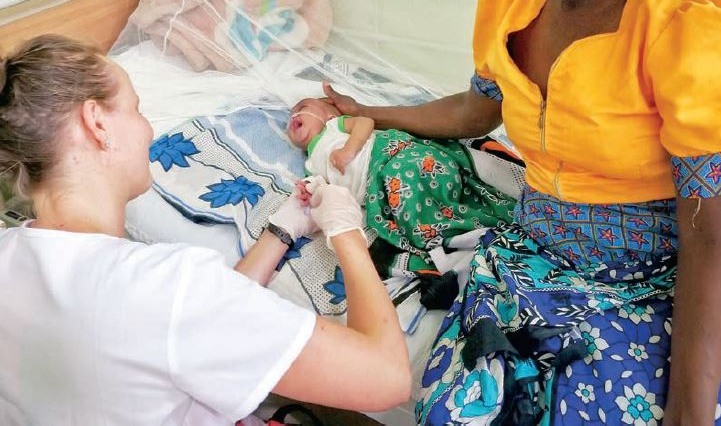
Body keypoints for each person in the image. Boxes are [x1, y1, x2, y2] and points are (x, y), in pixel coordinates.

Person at [315, 1, 721, 424]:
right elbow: (474, 112)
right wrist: (371, 113)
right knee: (472, 407)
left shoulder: (684, 25)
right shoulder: (509, 8)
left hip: (651, 273)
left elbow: (709, 236)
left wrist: (689, 415)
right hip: (532, 254)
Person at [0, 35, 411, 424]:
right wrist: (345, 231)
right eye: (137, 109)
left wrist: (281, 231)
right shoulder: (169, 285)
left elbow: (198, 328)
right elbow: (388, 378)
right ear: (97, 123)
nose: (148, 129)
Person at [288, 90, 517, 274]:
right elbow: (326, 190)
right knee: (412, 219)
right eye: (290, 117)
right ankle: (464, 234)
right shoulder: (311, 162)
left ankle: (470, 224)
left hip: (394, 157)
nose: (293, 116)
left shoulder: (334, 127)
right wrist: (310, 190)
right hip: (379, 188)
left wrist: (350, 148)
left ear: (329, 114)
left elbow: (365, 123)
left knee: (411, 177)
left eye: (303, 108)